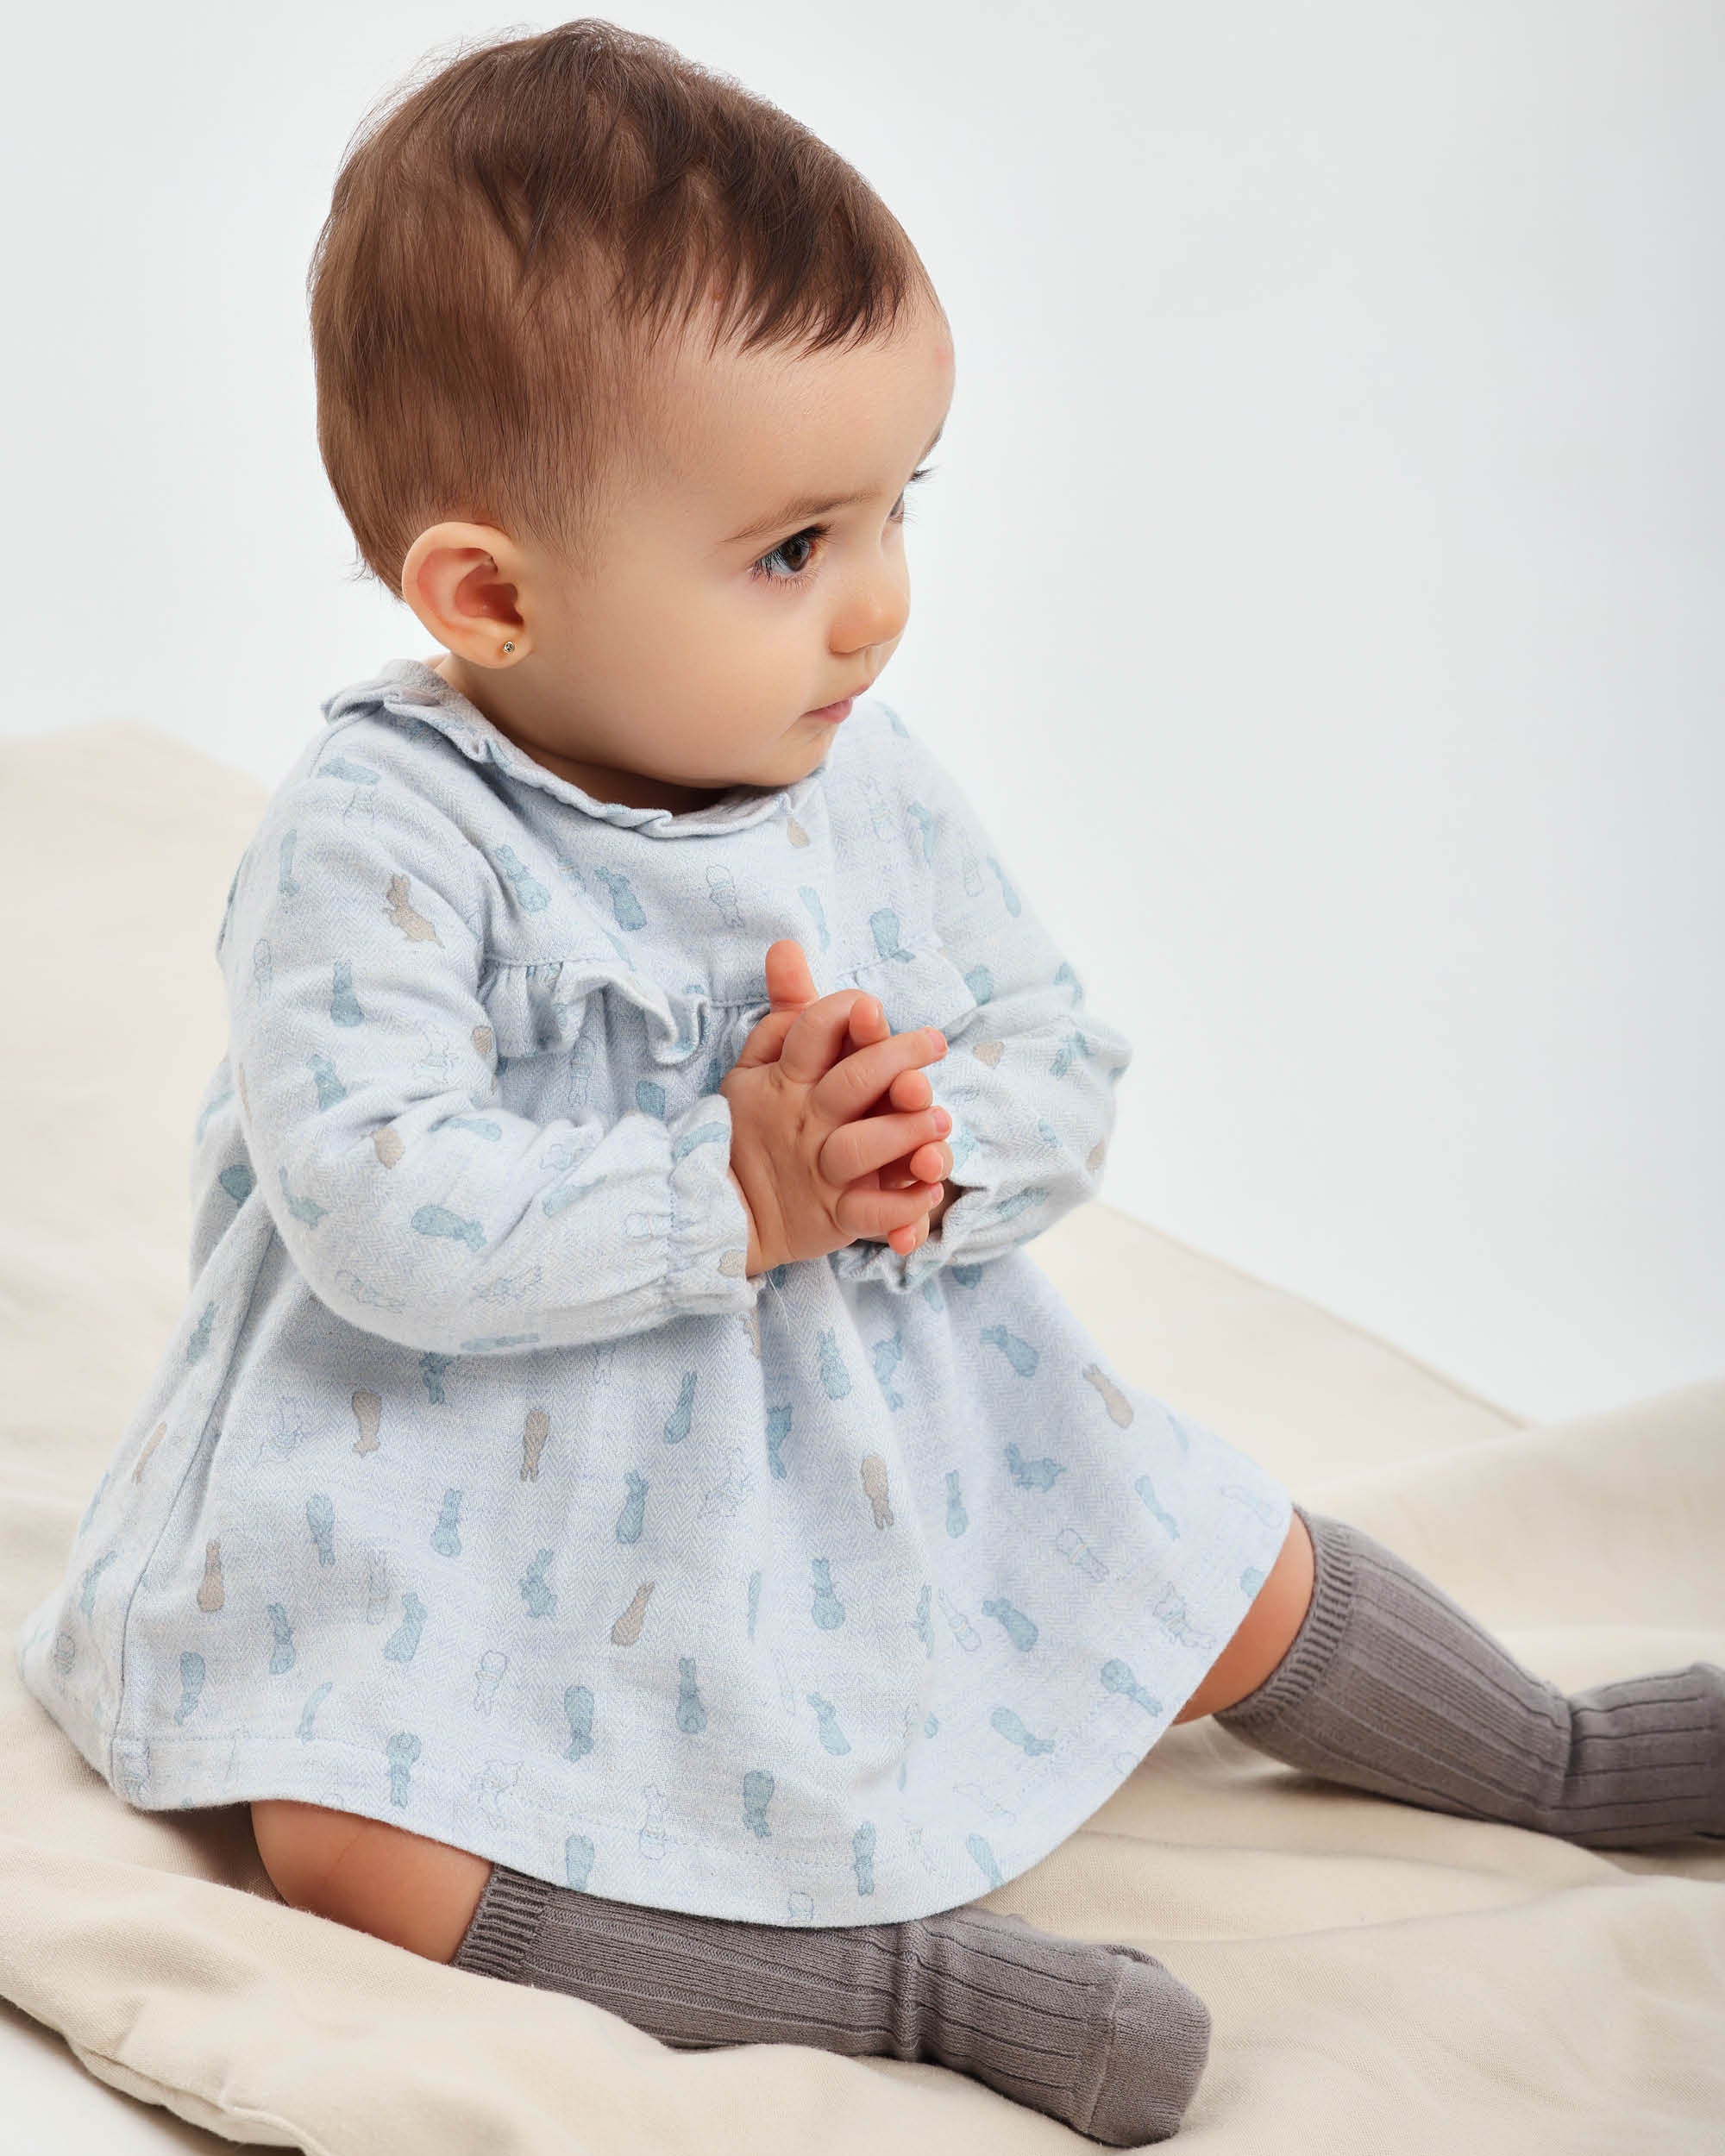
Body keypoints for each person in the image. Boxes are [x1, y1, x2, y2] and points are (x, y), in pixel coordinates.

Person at [16, 20, 1720, 2147]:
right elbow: (372, 1200)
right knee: (350, 1845)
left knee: (1205, 1552)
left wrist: (931, 1149)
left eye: (899, 504)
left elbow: (1053, 1042)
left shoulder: (859, 778)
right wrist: (726, 1189)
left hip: (862, 1411)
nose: (880, 604)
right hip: (477, 1467)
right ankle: (911, 1984)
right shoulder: (380, 835)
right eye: (792, 547)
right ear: (490, 592)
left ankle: (1550, 1754)